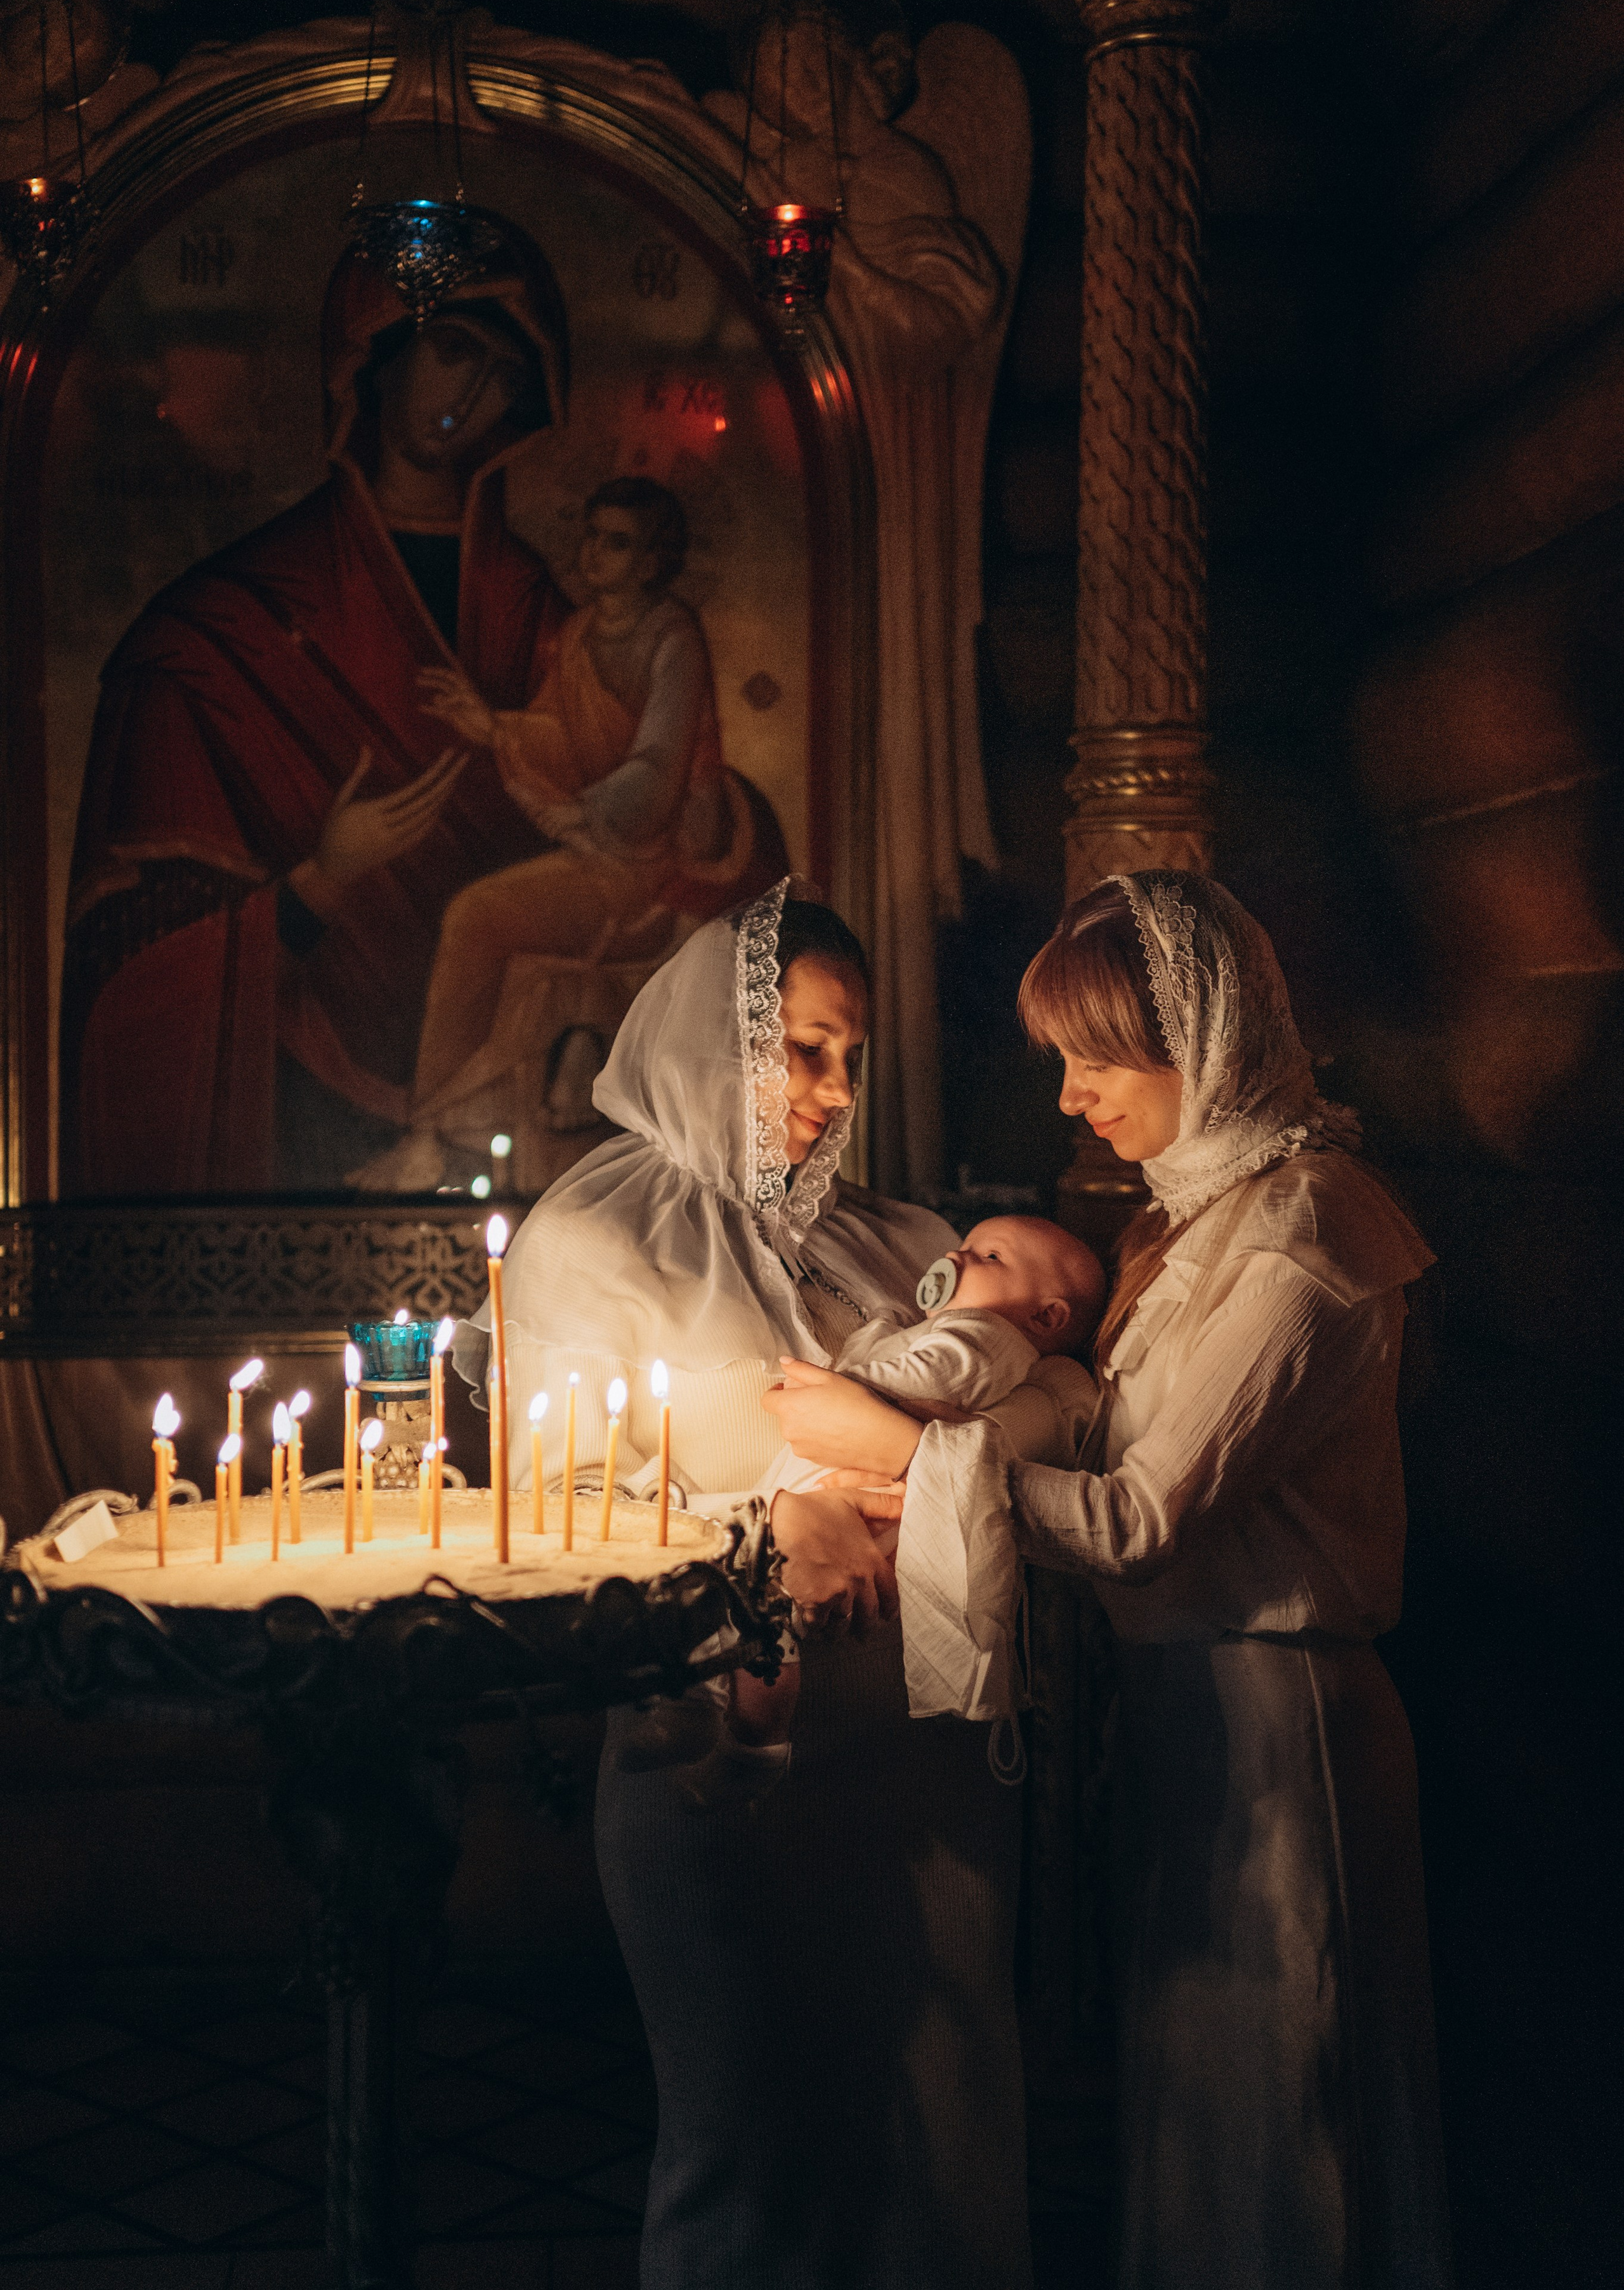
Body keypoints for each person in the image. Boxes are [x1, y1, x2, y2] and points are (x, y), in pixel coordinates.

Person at [768, 871, 1453, 2290]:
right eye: (1063, 1061)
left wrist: (908, 1451)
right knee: (1206, 2101)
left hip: (1287, 1715)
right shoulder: (1190, 1220)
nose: (1072, 1098)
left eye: (1098, 1060)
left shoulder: (1304, 1232)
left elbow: (1141, 1519)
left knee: (1291, 2100)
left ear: (1203, 1039)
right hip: (1189, 1706)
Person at [480, 875, 1033, 2290]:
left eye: (853, 1055)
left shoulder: (907, 1243)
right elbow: (555, 1512)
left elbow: (1006, 1423)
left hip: (920, 1748)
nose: (836, 1090)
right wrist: (766, 1526)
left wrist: (910, 1479)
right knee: (747, 2141)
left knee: (939, 2124)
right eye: (804, 1048)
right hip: (713, 1750)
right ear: (711, 1043)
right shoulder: (586, 1246)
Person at [62, 216, 573, 1191]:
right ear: (373, 358)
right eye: (453, 351)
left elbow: (616, 822)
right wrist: (318, 886)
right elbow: (128, 968)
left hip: (503, 1105)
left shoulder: (538, 615)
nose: (471, 394)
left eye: (502, 373)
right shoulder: (211, 636)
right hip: (296, 1094)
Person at [353, 474, 777, 1190]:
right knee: (471, 911)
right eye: (592, 535)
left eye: (618, 542)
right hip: (598, 851)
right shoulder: (579, 633)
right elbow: (557, 734)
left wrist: (589, 811)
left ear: (652, 559)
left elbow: (659, 765)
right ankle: (438, 1132)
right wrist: (496, 728)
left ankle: (433, 1135)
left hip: (652, 869)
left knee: (476, 916)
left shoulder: (671, 637)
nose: (594, 552)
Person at [675, 1212, 1106, 1800]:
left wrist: (847, 1391)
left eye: (990, 1257)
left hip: (853, 1494)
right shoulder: (950, 1330)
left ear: (1047, 1316)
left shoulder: (986, 1337)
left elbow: (920, 1378)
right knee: (745, 1608)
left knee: (760, 1614)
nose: (957, 1257)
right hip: (820, 1495)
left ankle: (754, 1738)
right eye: (966, 1245)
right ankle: (711, 1721)